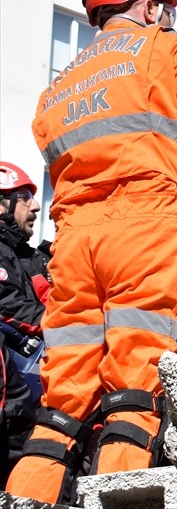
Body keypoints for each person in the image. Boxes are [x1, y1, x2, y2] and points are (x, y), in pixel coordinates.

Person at [7, 0, 177, 503]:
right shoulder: (165, 47)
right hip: (144, 228)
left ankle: (26, 498)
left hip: (72, 246)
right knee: (135, 388)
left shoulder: (58, 90)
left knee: (61, 401)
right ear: (148, 6)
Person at [0, 163, 44, 482]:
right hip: (14, 423)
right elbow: (8, 304)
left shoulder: (28, 256)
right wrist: (71, 324)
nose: (37, 205)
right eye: (25, 196)